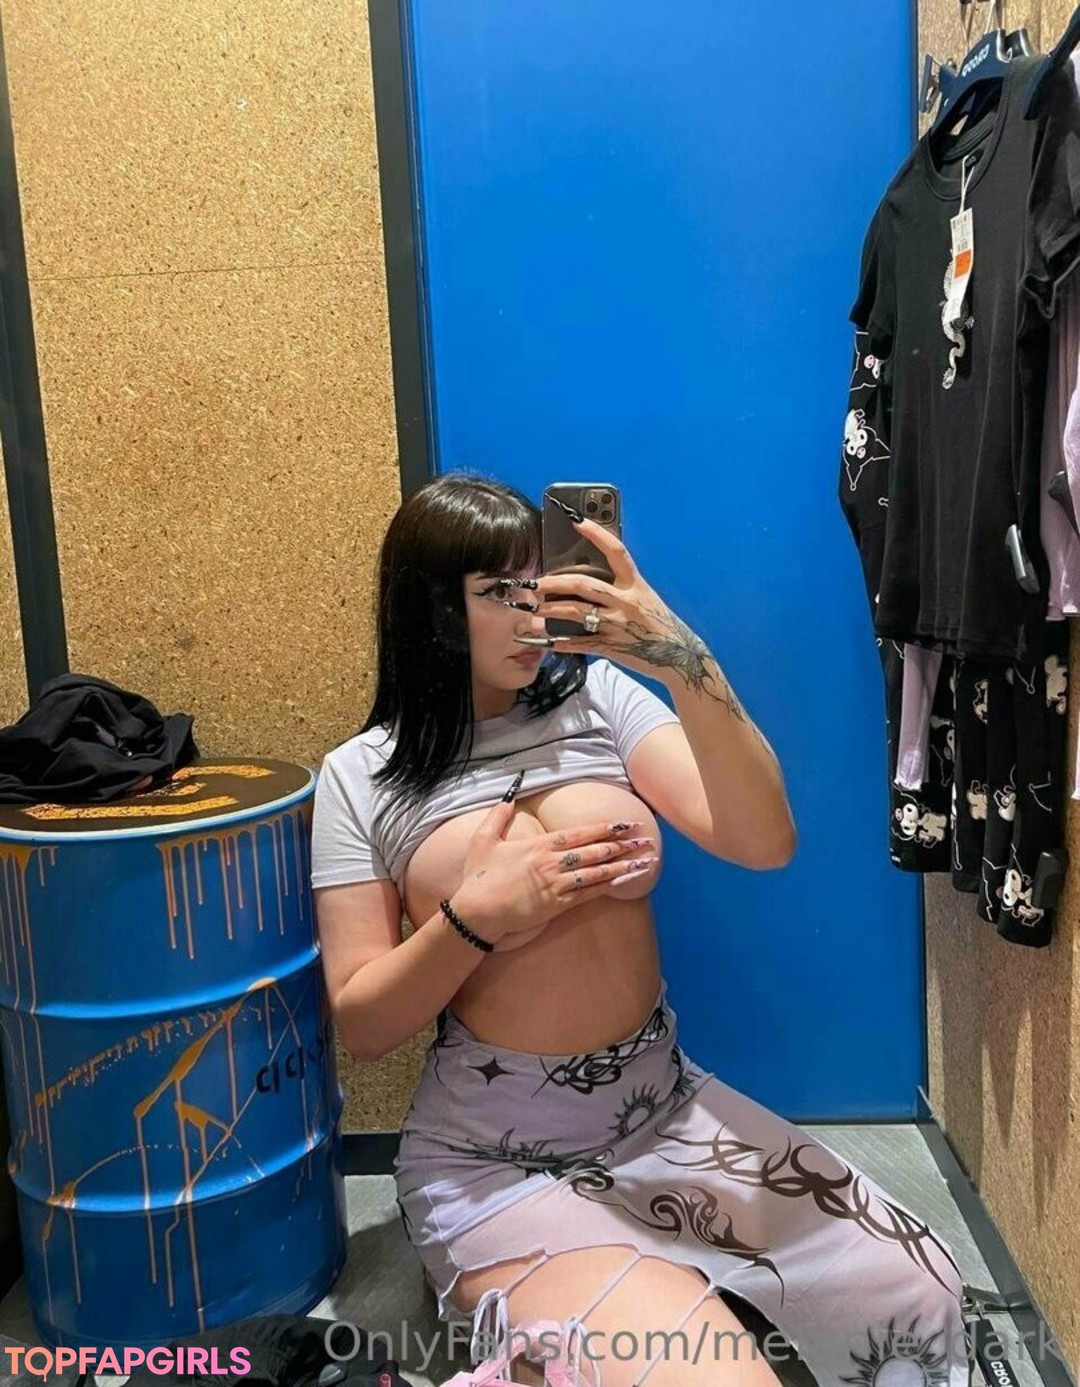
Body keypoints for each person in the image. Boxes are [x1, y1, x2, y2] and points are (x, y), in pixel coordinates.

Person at [311, 473, 969, 1387]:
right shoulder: (361, 776)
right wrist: (476, 916)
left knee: (920, 1295)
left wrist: (680, 655)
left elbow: (765, 838)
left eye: (535, 579)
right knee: (717, 1377)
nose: (532, 609)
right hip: (496, 1161)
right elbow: (364, 1023)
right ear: (433, 611)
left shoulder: (598, 700)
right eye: (498, 591)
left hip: (662, 1110)